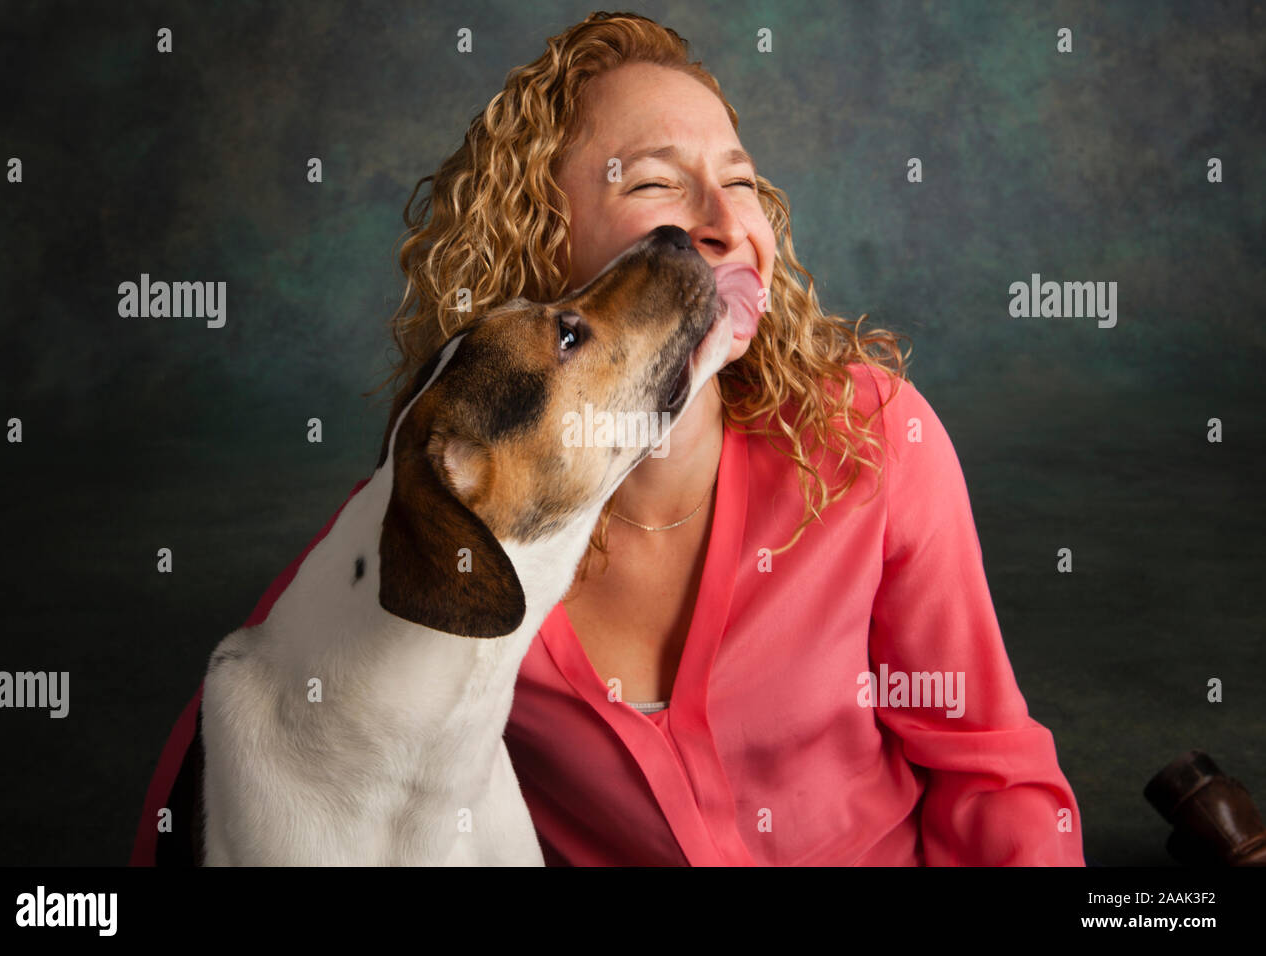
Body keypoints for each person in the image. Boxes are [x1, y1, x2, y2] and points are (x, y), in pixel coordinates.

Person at [131, 11, 1085, 867]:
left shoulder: (871, 438)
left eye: (741, 182)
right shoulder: (460, 515)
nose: (720, 226)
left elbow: (991, 770)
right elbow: (253, 698)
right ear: (546, 250)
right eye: (660, 185)